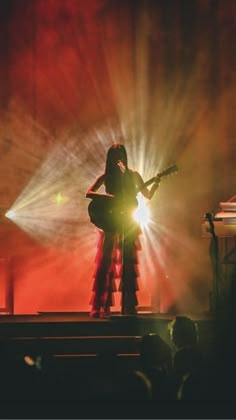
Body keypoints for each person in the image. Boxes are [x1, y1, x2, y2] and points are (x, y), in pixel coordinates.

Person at [86, 143, 160, 318]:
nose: (118, 158)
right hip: (111, 220)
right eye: (115, 155)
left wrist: (156, 184)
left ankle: (128, 306)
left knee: (128, 261)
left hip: (129, 219)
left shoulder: (133, 175)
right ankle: (101, 306)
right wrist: (108, 197)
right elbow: (89, 192)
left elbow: (147, 195)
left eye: (120, 154)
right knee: (106, 259)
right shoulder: (107, 176)